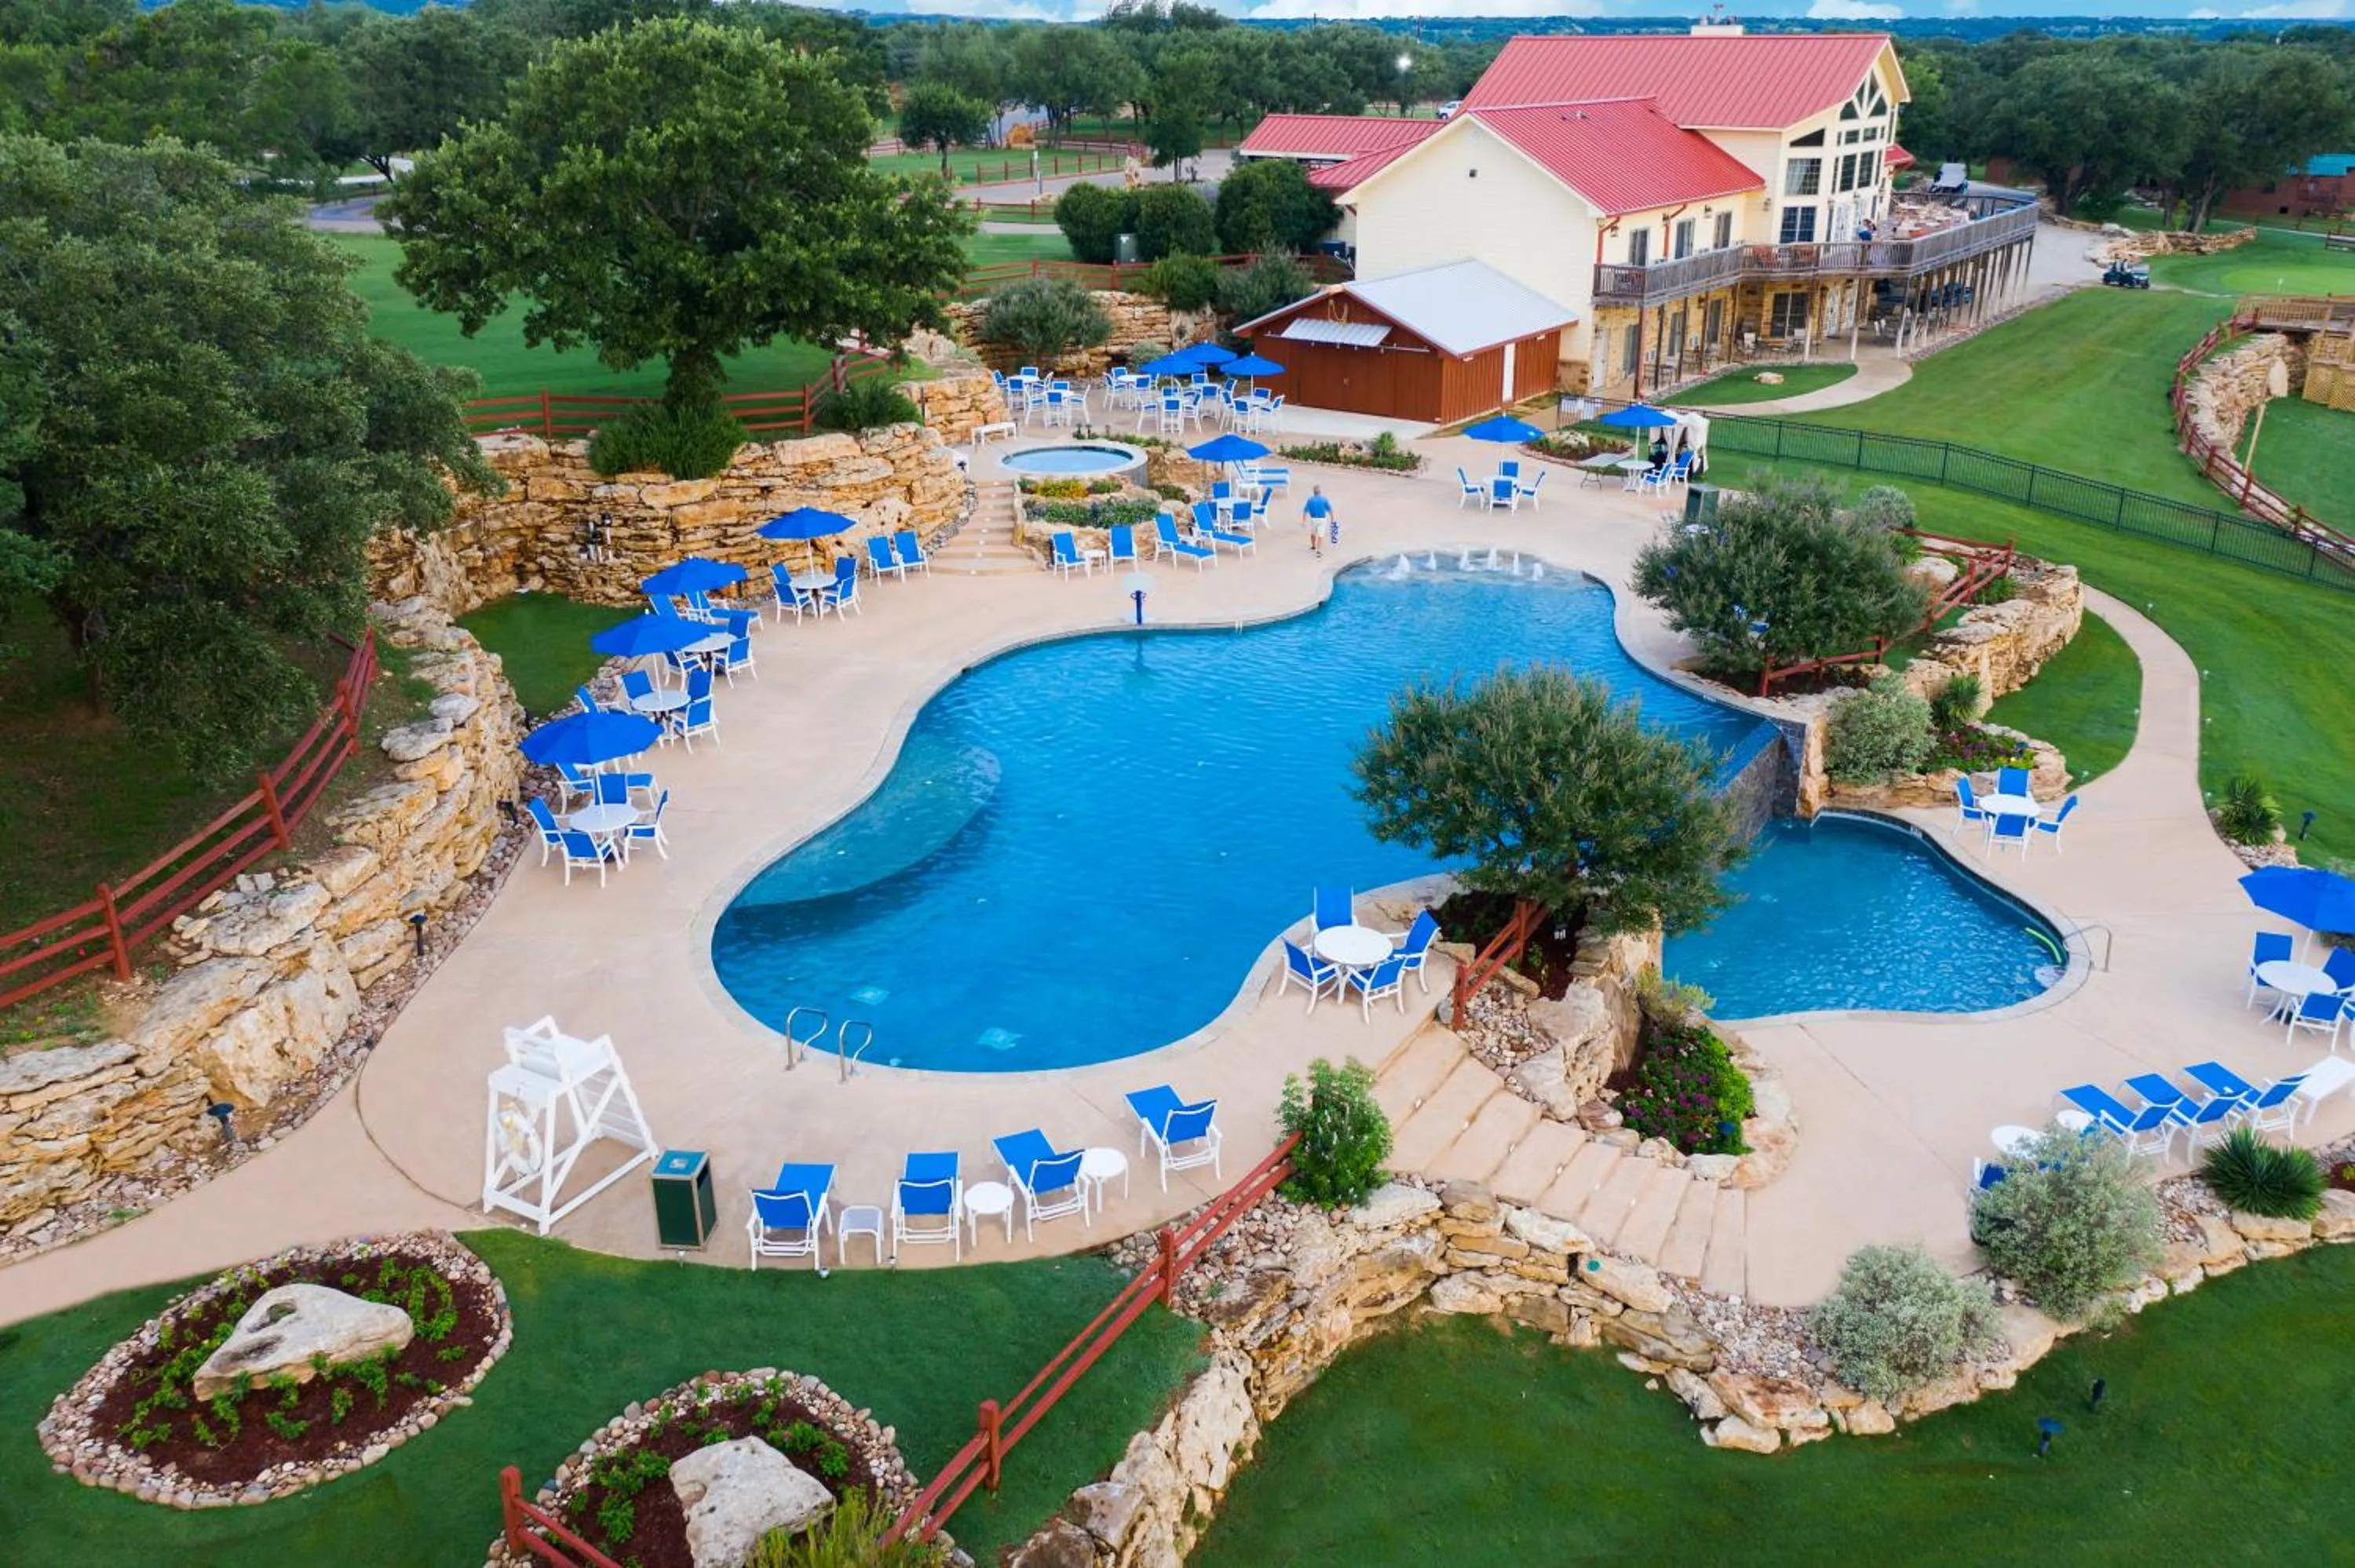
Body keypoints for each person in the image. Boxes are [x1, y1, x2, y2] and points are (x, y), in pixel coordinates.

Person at [1302, 485, 1334, 554]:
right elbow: (1330, 510)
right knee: (1321, 535)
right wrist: (1332, 519)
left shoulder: (1310, 500)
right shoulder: (1324, 499)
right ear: (1320, 492)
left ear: (1314, 492)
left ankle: (1313, 546)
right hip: (1322, 519)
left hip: (1313, 519)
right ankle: (1319, 550)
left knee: (1313, 534)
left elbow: (1305, 510)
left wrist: (1304, 521)